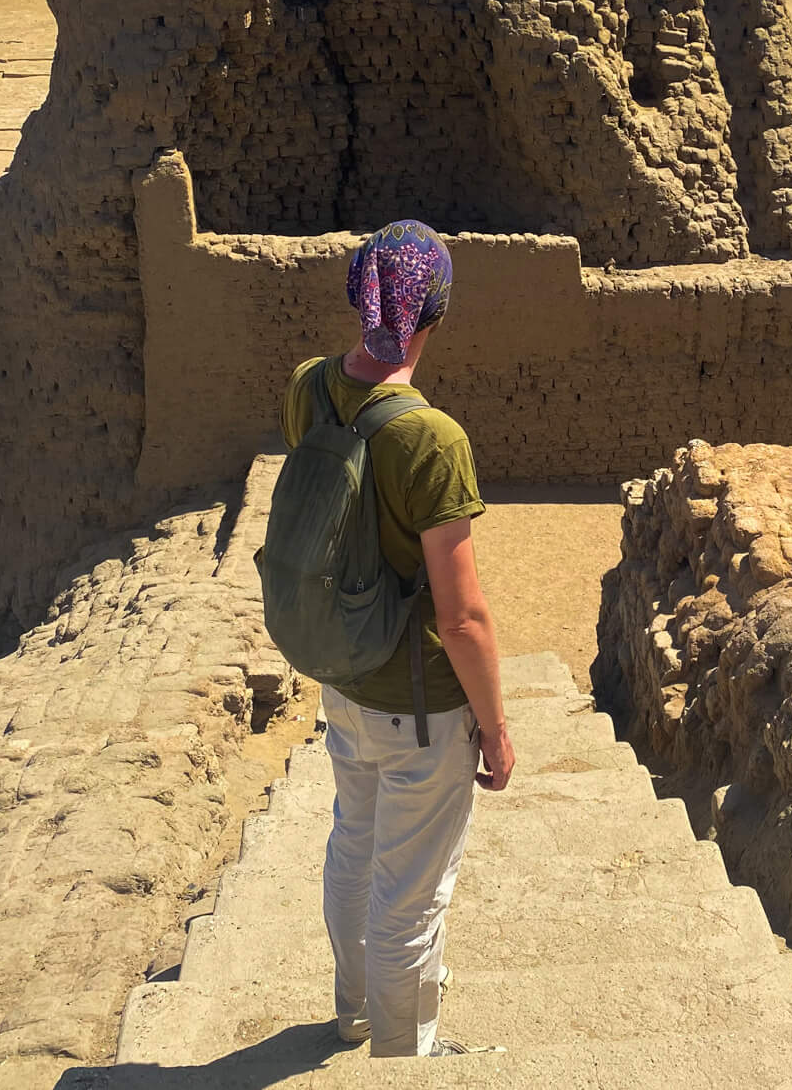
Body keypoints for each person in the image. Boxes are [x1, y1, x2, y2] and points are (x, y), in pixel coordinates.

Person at [279, 219, 515, 1058]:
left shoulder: (308, 388)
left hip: (342, 675)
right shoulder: (432, 438)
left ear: (357, 293)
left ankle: (352, 1012)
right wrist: (493, 723)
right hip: (419, 705)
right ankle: (402, 1061)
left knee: (353, 844)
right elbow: (462, 618)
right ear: (436, 312)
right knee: (411, 895)